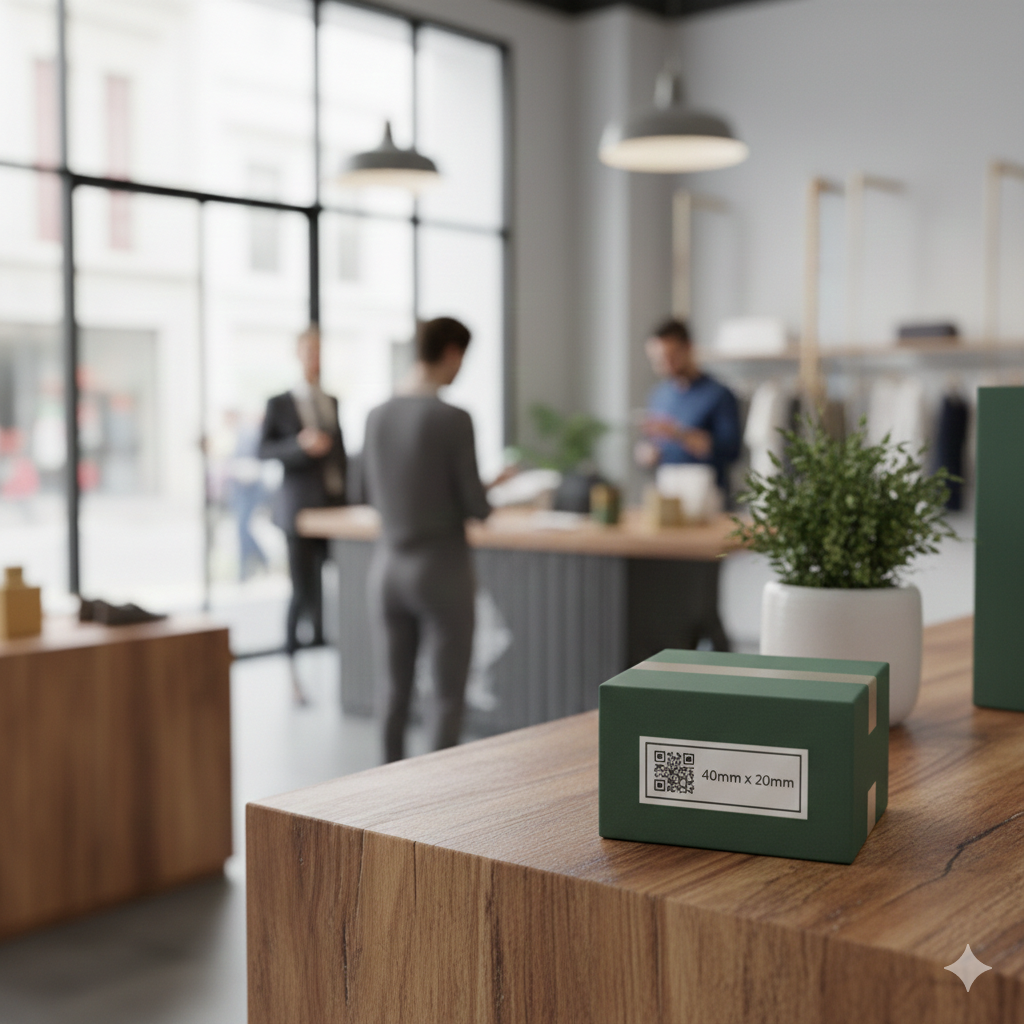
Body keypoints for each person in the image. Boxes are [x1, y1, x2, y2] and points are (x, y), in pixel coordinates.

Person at [363, 317, 501, 762]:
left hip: (386, 568)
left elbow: (364, 492)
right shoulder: (453, 418)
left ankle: (383, 803)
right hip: (440, 570)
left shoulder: (376, 415)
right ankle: (434, 812)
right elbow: (476, 507)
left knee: (392, 690)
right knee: (445, 696)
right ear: (452, 353)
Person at [259, 325, 346, 702]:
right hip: (298, 509)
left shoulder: (332, 400)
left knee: (334, 585)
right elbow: (263, 450)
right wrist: (299, 445)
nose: (315, 358)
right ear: (298, 354)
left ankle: (333, 658)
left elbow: (341, 455)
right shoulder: (280, 403)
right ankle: (294, 670)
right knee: (302, 589)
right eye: (309, 351)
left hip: (333, 507)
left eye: (319, 351)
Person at [635, 318, 741, 495]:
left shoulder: (719, 394)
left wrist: (677, 433)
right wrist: (647, 453)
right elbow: (654, 444)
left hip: (707, 495)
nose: (665, 365)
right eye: (658, 359)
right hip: (667, 490)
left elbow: (731, 452)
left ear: (688, 348)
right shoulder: (659, 395)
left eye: (671, 357)